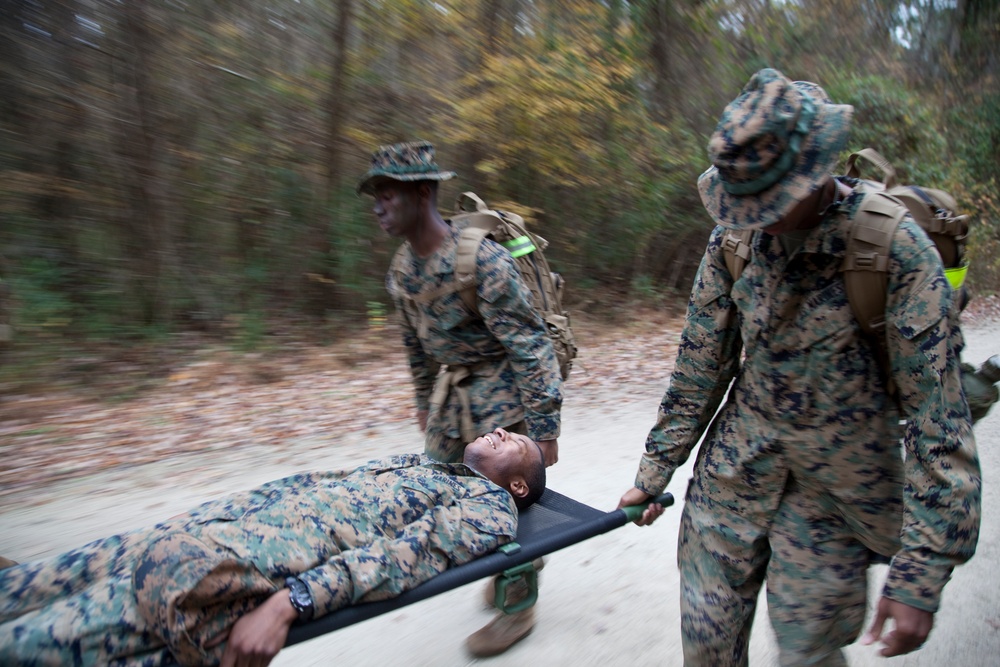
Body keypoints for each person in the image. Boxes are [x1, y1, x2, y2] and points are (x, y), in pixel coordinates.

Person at [617, 68, 981, 666]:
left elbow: (938, 420)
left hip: (836, 499)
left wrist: (921, 572)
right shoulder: (733, 240)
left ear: (814, 171)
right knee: (706, 648)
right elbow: (699, 367)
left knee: (808, 657)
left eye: (769, 202)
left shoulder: (894, 250)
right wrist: (655, 470)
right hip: (731, 481)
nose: (753, 215)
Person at [0, 428, 546, 667]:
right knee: (27, 584)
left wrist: (289, 606)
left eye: (514, 442)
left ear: (518, 485)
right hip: (197, 532)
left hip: (218, 573)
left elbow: (402, 558)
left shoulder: (487, 508)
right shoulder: (426, 466)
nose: (500, 431)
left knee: (29, 643)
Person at [358, 140, 564, 656]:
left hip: (501, 398)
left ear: (423, 192)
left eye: (388, 193)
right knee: (444, 492)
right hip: (452, 402)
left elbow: (531, 345)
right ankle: (506, 562)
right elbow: (416, 348)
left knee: (505, 499)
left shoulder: (482, 262)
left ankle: (518, 606)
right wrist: (426, 403)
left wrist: (544, 430)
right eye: (374, 195)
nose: (378, 205)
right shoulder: (402, 271)